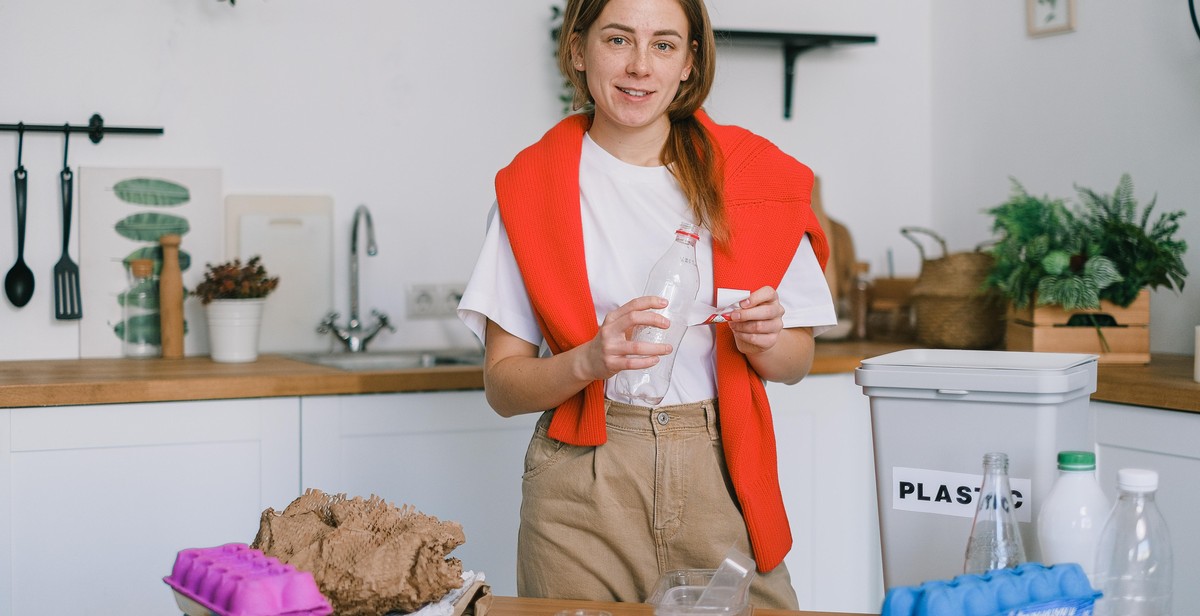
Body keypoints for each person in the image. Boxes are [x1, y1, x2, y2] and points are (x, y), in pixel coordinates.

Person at [457, 0, 835, 609]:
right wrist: (588, 360)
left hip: (722, 470)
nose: (639, 66)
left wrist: (766, 339)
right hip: (582, 485)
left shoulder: (752, 178)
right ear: (579, 50)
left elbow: (796, 363)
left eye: (663, 44)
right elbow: (502, 387)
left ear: (689, 62)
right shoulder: (530, 188)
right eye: (618, 40)